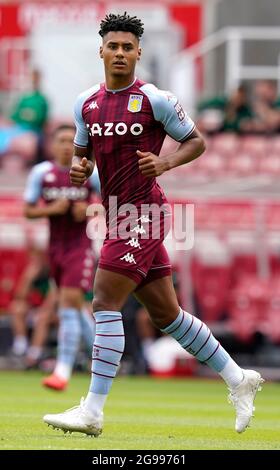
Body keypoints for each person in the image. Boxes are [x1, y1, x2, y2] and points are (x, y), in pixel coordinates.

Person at [43, 12, 264, 435]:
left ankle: (92, 410)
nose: (121, 53)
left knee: (105, 301)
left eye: (128, 47)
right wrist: (78, 167)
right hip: (115, 214)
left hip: (143, 213)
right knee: (168, 314)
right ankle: (239, 378)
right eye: (114, 46)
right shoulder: (85, 103)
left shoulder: (154, 99)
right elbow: (82, 152)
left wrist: (164, 162)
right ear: (102, 50)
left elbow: (196, 141)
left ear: (139, 52)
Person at [23, 124, 99, 390]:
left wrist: (88, 210)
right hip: (54, 249)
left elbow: (110, 205)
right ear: (53, 145)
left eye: (72, 141)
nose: (67, 145)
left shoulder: (91, 173)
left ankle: (62, 371)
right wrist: (51, 209)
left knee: (68, 306)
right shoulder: (42, 173)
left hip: (81, 247)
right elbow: (28, 210)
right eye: (62, 140)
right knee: (76, 308)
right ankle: (104, 359)